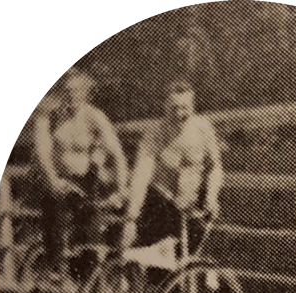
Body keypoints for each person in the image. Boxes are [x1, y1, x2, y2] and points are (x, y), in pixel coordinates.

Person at [33, 67, 127, 277]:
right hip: (55, 180)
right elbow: (42, 152)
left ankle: (93, 279)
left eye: (77, 91)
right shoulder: (48, 116)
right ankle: (54, 269)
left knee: (92, 236)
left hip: (85, 182)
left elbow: (117, 154)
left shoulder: (94, 116)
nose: (72, 96)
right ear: (60, 93)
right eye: (67, 91)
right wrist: (53, 180)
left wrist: (121, 189)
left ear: (85, 93)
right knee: (53, 208)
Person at [123, 80, 223, 252]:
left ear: (193, 105)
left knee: (194, 259)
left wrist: (212, 196)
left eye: (185, 108)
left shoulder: (203, 129)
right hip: (163, 206)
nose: (179, 113)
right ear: (165, 106)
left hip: (195, 206)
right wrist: (131, 217)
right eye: (174, 108)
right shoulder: (155, 133)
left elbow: (215, 168)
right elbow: (141, 174)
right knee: (157, 260)